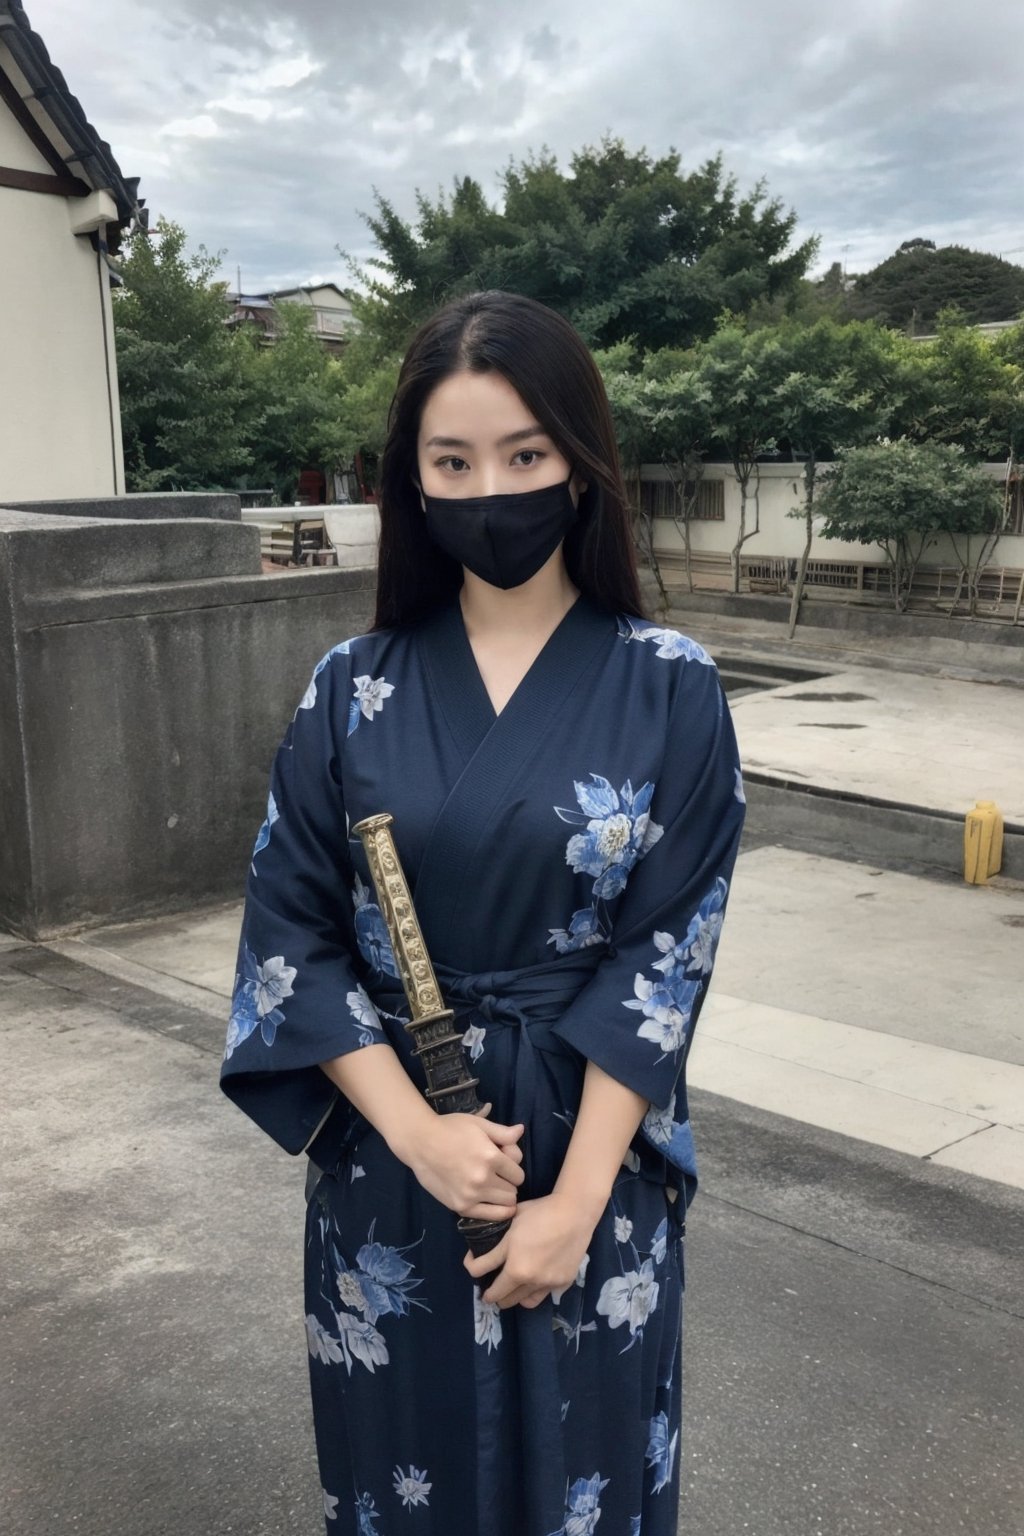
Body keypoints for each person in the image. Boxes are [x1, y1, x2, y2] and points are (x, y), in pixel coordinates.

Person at [221, 289, 746, 1536]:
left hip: (588, 1155)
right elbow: (289, 932)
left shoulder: (670, 684)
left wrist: (571, 1207)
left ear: (578, 464)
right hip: (398, 1155)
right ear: (409, 478)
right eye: (451, 461)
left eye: (524, 454)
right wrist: (416, 1137)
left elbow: (666, 953)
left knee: (589, 1460)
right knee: (408, 1474)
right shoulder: (351, 687)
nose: (488, 489)